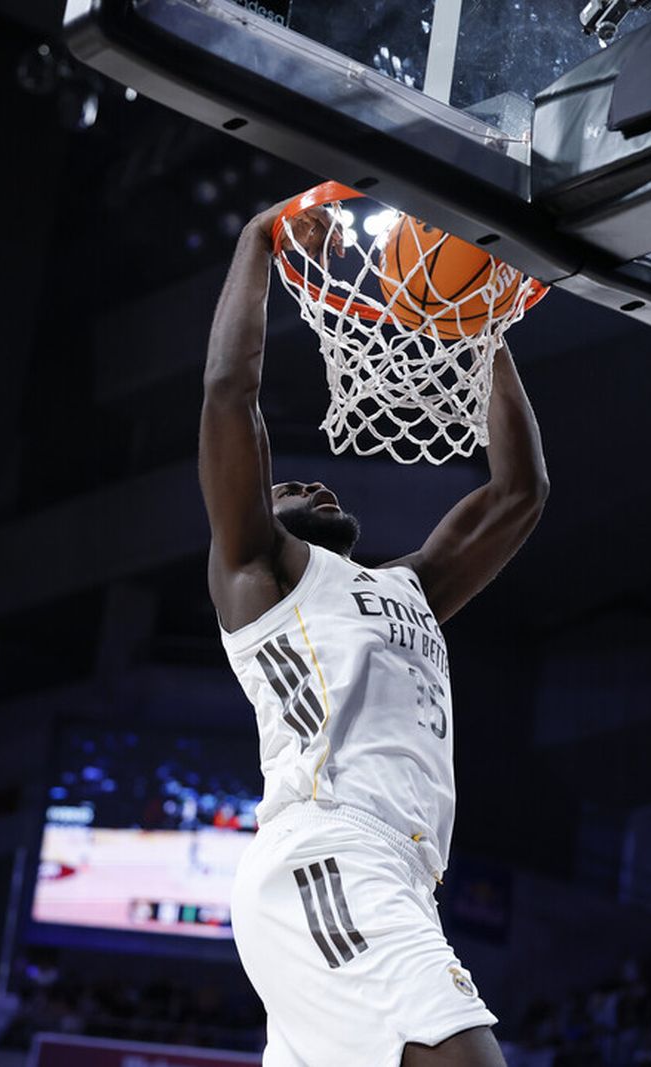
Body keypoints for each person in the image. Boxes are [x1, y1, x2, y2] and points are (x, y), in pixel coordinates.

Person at [201, 195, 548, 1066]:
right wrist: (257, 240)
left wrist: (484, 328)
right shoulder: (263, 572)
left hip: (398, 873)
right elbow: (227, 391)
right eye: (287, 488)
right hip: (331, 852)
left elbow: (521, 492)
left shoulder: (411, 587)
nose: (311, 486)